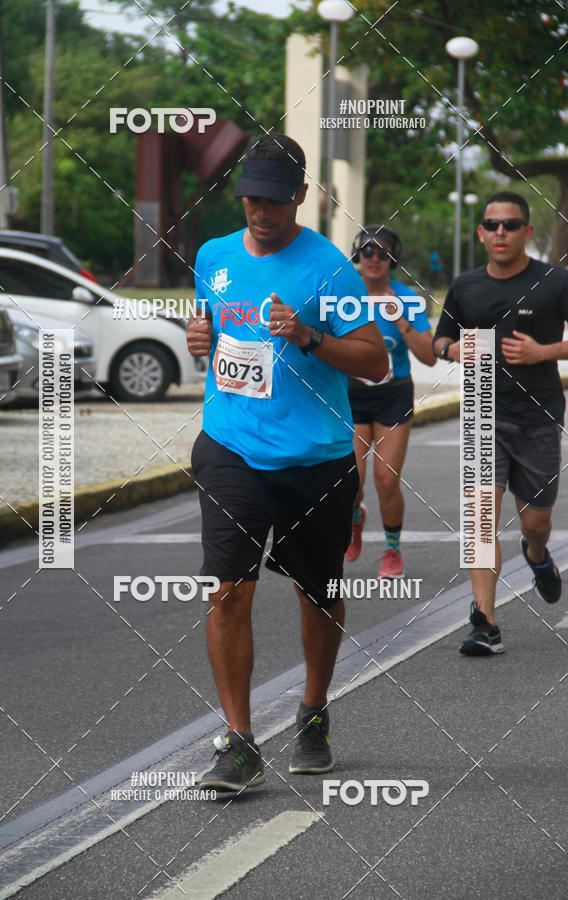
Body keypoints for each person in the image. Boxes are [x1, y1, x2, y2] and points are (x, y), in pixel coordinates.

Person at [187, 134, 388, 792]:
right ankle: (239, 741)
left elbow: (374, 360)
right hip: (231, 449)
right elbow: (213, 332)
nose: (261, 212)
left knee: (319, 597)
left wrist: (308, 335)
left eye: (274, 200)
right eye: (251, 199)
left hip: (315, 462)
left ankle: (313, 711)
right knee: (226, 591)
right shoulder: (213, 256)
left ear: (300, 195)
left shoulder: (330, 270)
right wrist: (200, 339)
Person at [434, 190, 567, 655]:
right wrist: (452, 349)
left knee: (536, 521)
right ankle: (484, 622)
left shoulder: (555, 281)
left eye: (511, 225)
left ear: (527, 232)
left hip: (539, 414)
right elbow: (440, 340)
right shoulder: (466, 286)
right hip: (483, 410)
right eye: (492, 225)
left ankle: (536, 554)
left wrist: (542, 352)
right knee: (480, 519)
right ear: (481, 233)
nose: (501, 233)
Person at [344, 225, 436, 575]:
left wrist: (399, 318)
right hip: (351, 394)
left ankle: (392, 550)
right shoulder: (343, 294)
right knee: (350, 481)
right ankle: (354, 519)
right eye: (367, 251)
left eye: (383, 253)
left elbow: (428, 357)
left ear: (392, 260)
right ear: (358, 255)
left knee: (386, 479)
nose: (375, 259)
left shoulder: (406, 298)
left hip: (393, 395)